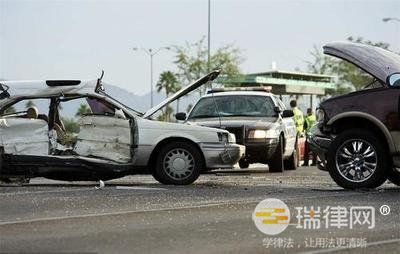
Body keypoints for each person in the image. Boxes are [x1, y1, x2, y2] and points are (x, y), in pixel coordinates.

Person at [290, 100, 304, 166]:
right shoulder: (300, 112)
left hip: (294, 130)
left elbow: (291, 122)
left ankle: (297, 162)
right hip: (300, 129)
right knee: (297, 146)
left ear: (290, 105)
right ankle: (298, 162)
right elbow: (303, 121)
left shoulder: (292, 112)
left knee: (296, 147)